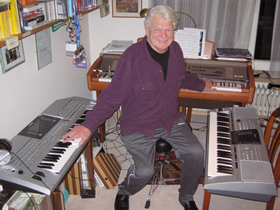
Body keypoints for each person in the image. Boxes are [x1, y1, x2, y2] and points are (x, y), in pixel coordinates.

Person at [63, 5, 215, 210]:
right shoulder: (132, 57)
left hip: (170, 120)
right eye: (157, 29)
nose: (163, 35)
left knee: (197, 153)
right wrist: (88, 126)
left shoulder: (176, 50)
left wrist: (200, 84)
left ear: (174, 31)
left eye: (168, 30)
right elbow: (112, 96)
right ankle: (124, 190)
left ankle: (186, 195)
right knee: (144, 171)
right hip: (138, 125)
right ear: (147, 30)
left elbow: (181, 77)